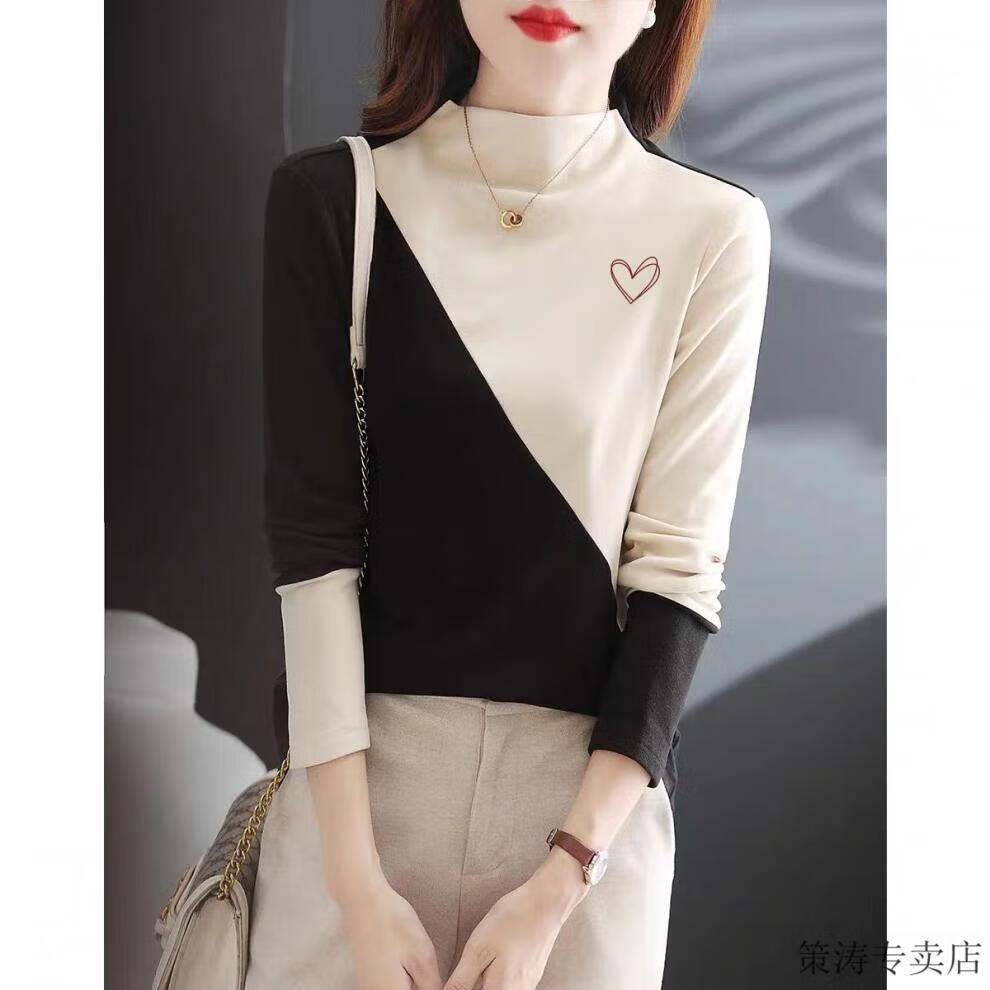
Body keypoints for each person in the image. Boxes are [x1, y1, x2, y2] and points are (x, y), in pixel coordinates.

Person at [247, 1, 771, 987]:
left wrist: (562, 883)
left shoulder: (712, 230)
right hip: (354, 796)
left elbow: (678, 573)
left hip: (587, 829)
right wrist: (354, 885)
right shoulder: (339, 198)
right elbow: (314, 555)